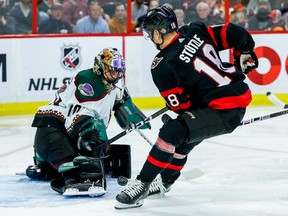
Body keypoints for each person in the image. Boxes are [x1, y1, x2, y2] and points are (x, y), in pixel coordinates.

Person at [115, 5, 258, 209]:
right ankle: (165, 182)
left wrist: (178, 117)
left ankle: (142, 184)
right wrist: (245, 52)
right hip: (235, 95)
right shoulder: (195, 30)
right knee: (182, 141)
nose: (150, 38)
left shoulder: (162, 64)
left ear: (158, 31)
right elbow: (232, 32)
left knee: (171, 132)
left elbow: (182, 105)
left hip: (222, 111)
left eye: (150, 33)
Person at [26, 47, 151, 196]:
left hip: (64, 134)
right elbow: (76, 123)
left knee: (94, 133)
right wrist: (97, 143)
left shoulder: (113, 84)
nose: (115, 75)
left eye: (118, 71)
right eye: (112, 70)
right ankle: (74, 175)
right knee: (92, 129)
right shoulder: (87, 81)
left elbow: (123, 107)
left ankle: (71, 167)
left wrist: (129, 113)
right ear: (100, 66)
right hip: (50, 131)